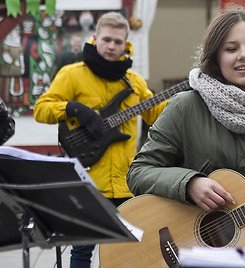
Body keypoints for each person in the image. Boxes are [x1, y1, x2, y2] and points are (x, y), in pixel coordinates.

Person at [126, 8, 245, 248]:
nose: (244, 56)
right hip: (196, 252)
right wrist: (189, 183)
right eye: (231, 49)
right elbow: (139, 172)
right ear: (215, 57)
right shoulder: (186, 107)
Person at [33, 12, 167, 268]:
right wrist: (73, 109)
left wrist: (187, 98)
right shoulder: (72, 74)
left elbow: (158, 113)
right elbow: (42, 109)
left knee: (134, 250)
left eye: (118, 42)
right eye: (106, 40)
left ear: (126, 44)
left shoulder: (135, 83)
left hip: (128, 182)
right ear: (95, 39)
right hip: (89, 181)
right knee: (82, 252)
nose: (111, 46)